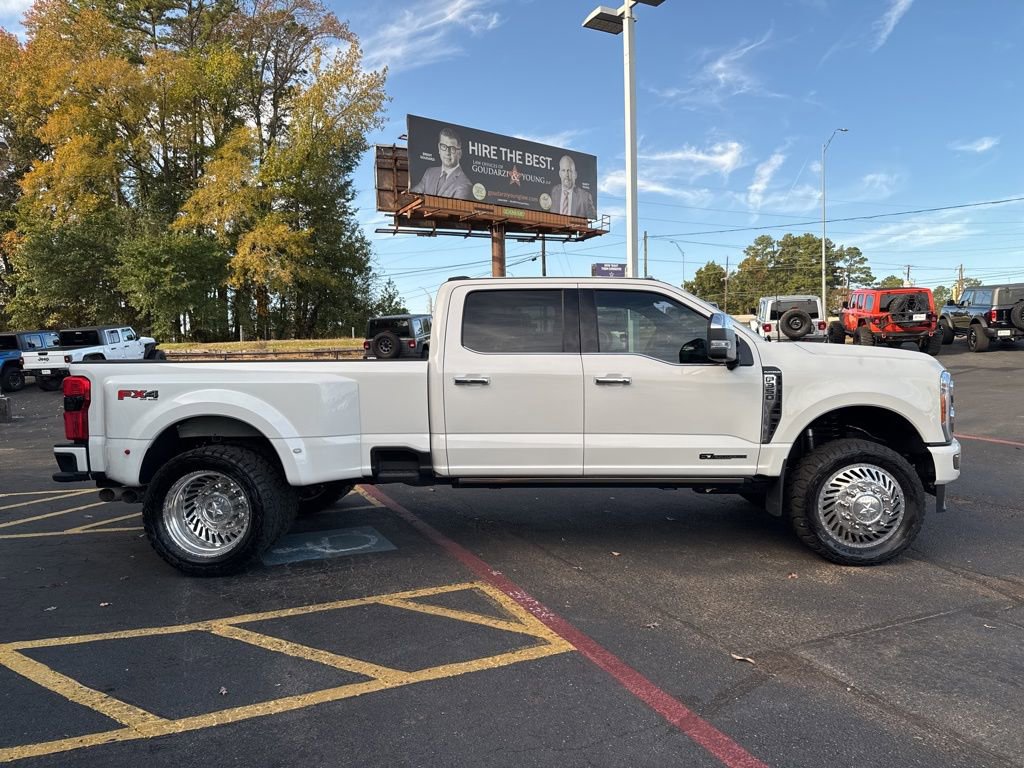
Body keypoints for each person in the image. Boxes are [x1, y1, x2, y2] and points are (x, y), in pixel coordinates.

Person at [410, 127, 473, 200]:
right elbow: (413, 195)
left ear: (460, 153)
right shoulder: (430, 173)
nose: (447, 153)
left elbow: (455, 209)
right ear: (439, 148)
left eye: (452, 148)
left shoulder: (464, 184)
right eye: (443, 146)